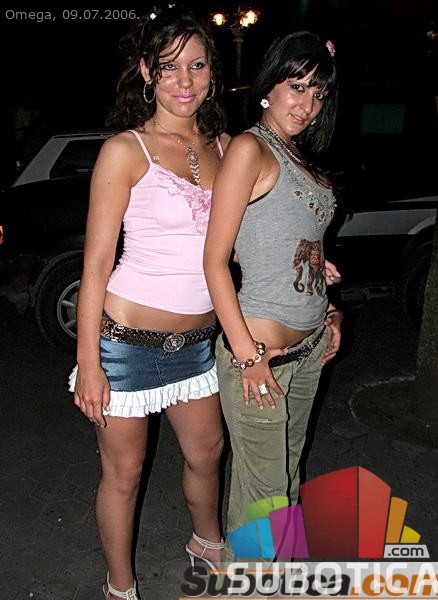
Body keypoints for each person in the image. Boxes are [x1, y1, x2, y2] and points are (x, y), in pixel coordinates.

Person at [68, 7, 230, 598]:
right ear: (146, 71)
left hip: (198, 344)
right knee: (125, 473)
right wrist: (89, 361)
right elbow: (95, 264)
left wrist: (312, 262)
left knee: (208, 454)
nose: (185, 81)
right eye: (169, 67)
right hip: (125, 346)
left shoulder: (225, 146)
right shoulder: (125, 149)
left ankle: (206, 542)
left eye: (197, 65)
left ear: (212, 71)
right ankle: (121, 586)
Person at [203, 31, 342, 560]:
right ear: (269, 87)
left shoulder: (296, 156)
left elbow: (288, 248)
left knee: (283, 477)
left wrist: (328, 309)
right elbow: (215, 259)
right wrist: (247, 356)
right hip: (260, 354)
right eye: (296, 87)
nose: (306, 104)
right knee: (266, 495)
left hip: (307, 351)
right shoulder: (250, 149)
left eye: (318, 94)